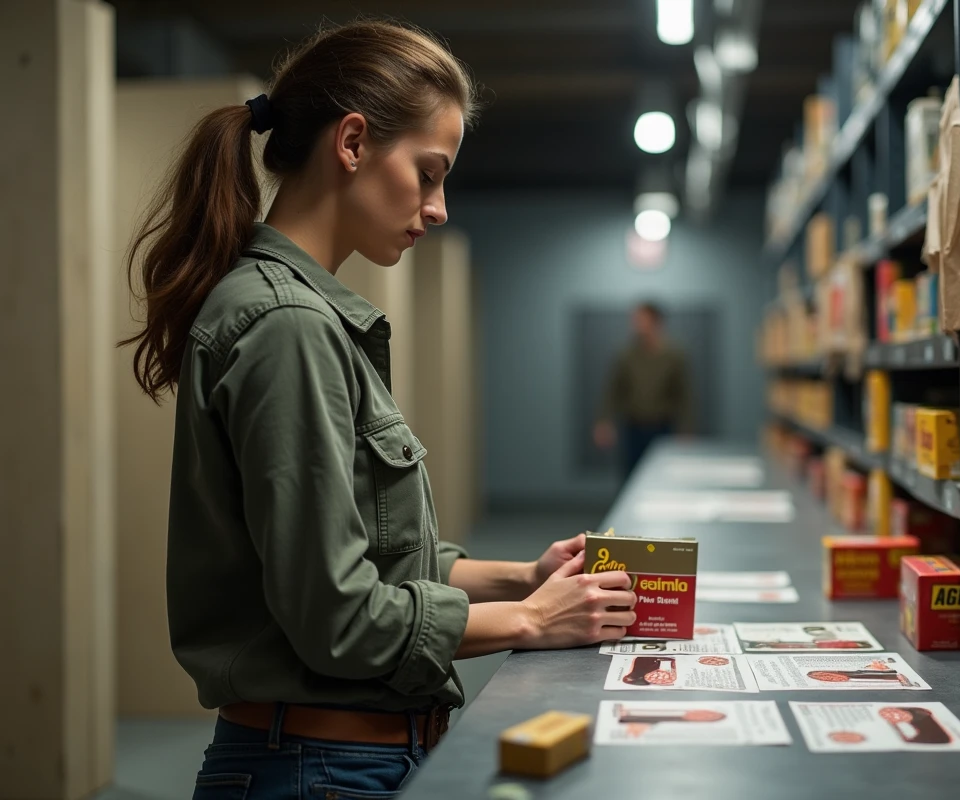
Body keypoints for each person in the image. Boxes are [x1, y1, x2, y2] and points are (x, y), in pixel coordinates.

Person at [121, 21, 637, 799]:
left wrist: (522, 579)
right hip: (318, 770)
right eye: (428, 174)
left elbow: (371, 557)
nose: (438, 208)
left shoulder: (306, 316)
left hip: (337, 760)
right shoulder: (286, 326)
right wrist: (532, 621)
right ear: (353, 141)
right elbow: (339, 617)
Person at [593, 302, 693, 479]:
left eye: (642, 320)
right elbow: (613, 390)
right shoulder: (626, 354)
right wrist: (604, 421)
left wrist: (686, 428)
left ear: (656, 322)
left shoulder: (673, 354)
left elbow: (684, 394)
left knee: (663, 475)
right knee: (631, 474)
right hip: (634, 426)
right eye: (635, 320)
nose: (637, 324)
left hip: (663, 426)